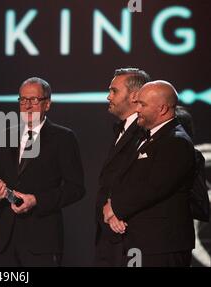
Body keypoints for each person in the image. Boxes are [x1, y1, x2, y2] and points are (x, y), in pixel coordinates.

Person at [0, 77, 85, 266]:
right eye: (23, 100)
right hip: (5, 243)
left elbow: (76, 188)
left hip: (42, 242)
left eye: (34, 100)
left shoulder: (63, 138)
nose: (27, 106)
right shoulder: (6, 135)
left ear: (47, 104)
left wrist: (36, 200)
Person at [103, 80, 196, 267]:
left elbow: (154, 187)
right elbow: (127, 178)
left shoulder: (176, 142)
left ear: (162, 109)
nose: (137, 109)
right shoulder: (150, 138)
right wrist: (111, 204)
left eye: (142, 104)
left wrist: (115, 209)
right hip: (143, 241)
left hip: (162, 245)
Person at [95, 68, 150, 266]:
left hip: (128, 237)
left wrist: (117, 210)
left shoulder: (146, 132)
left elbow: (143, 182)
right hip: (109, 236)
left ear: (135, 96)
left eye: (114, 91)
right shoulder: (122, 128)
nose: (108, 96)